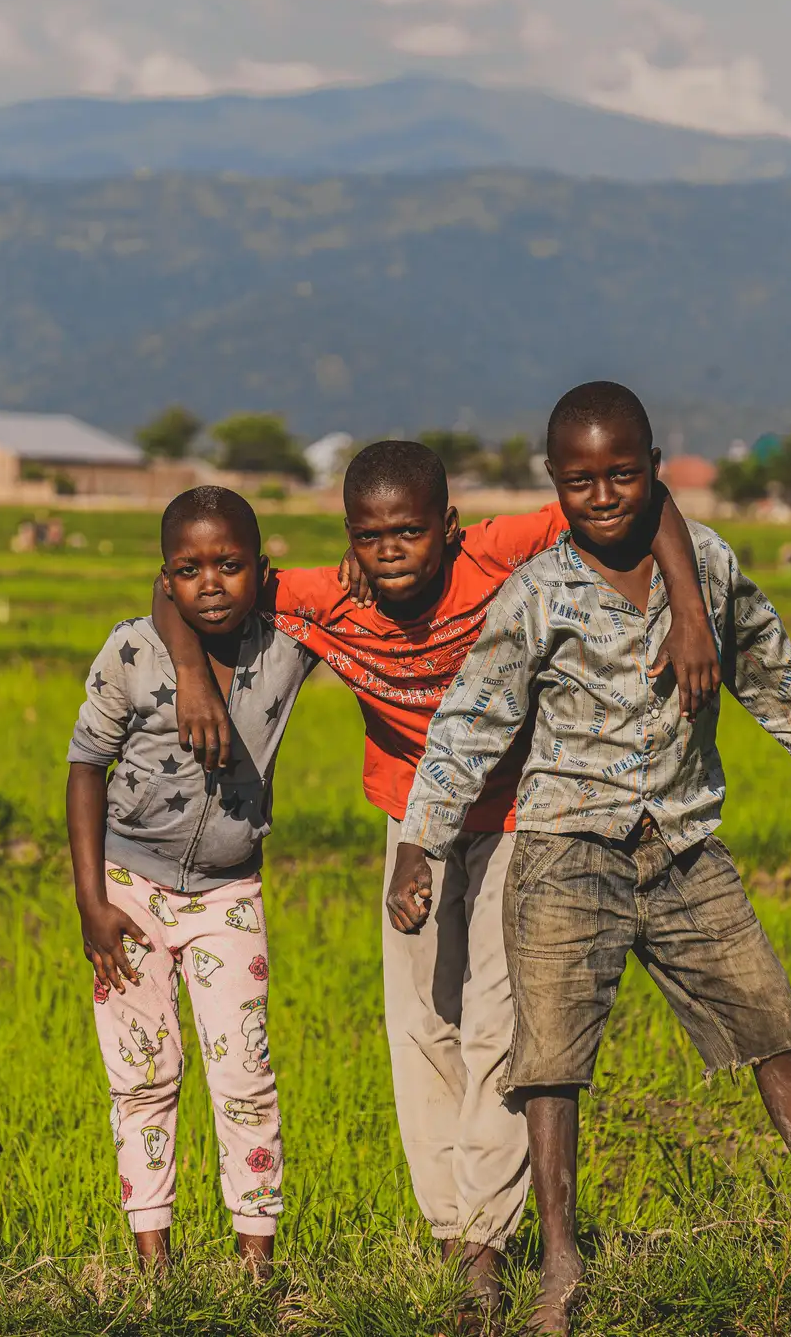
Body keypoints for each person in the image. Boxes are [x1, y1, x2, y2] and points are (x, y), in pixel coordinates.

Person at [153, 442, 720, 1316]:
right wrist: (192, 675)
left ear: (448, 530)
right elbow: (184, 583)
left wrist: (690, 611)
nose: (390, 553)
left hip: (518, 814)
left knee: (500, 1019)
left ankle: (485, 1247)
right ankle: (449, 1225)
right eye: (370, 535)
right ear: (349, 537)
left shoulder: (498, 553)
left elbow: (644, 510)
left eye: (410, 532)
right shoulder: (327, 595)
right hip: (405, 820)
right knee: (420, 1020)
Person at [395, 383, 791, 1335]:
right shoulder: (537, 594)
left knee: (773, 1029)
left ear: (655, 465)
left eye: (623, 473)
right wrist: (422, 841)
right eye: (581, 481)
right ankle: (560, 1265)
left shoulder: (703, 563)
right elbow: (471, 720)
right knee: (549, 1066)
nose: (605, 494)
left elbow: (763, 654)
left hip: (685, 846)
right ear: (555, 484)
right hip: (566, 851)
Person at [66, 487, 316, 1274]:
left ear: (261, 572)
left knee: (244, 1075)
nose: (211, 582)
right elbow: (84, 766)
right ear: (166, 578)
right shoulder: (133, 652)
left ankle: (256, 1264)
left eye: (230, 565)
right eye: (190, 568)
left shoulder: (286, 648)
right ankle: (154, 1267)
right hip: (127, 892)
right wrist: (90, 904)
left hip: (228, 894)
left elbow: (354, 598)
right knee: (142, 1076)